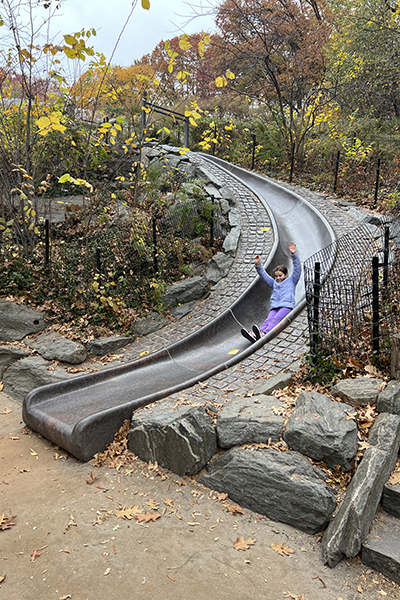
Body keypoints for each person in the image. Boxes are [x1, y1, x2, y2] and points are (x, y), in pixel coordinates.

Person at [241, 242, 301, 343]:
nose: (278, 278)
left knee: (275, 320)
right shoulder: (274, 283)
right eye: (276, 276)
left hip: (286, 306)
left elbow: (297, 269)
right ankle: (257, 333)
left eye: (280, 275)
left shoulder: (292, 280)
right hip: (275, 306)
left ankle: (264, 333)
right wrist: (258, 265)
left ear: (286, 275)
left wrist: (294, 255)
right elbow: (264, 276)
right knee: (268, 320)